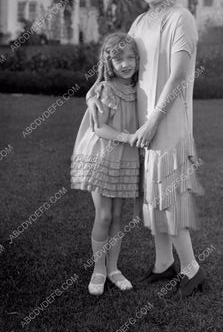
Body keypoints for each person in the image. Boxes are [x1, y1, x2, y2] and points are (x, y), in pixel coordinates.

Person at [87, 0, 206, 298]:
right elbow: (120, 63)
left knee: (171, 195)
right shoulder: (139, 23)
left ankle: (191, 269)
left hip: (167, 121)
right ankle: (163, 263)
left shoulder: (181, 18)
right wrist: (95, 91)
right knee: (152, 197)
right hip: (142, 124)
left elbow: (180, 74)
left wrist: (155, 119)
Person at [70, 32, 140, 296]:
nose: (125, 64)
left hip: (125, 159)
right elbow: (100, 129)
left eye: (130, 57)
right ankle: (98, 269)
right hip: (101, 156)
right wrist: (128, 137)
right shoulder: (105, 89)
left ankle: (114, 268)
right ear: (108, 62)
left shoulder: (137, 88)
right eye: (118, 59)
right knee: (105, 214)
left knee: (118, 216)